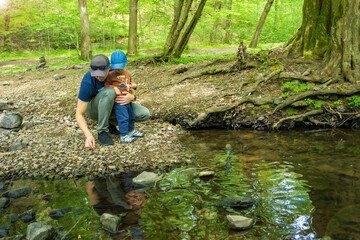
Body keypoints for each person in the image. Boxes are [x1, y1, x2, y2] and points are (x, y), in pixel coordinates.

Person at [76, 54, 150, 149]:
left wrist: (132, 97)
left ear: (109, 68)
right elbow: (79, 113)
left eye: (102, 74)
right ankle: (102, 131)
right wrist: (88, 135)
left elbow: (128, 87)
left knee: (144, 113)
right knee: (110, 91)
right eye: (96, 75)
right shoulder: (88, 80)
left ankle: (111, 123)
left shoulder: (116, 71)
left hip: (116, 106)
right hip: (94, 110)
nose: (99, 77)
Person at [105, 51, 144, 143]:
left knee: (131, 116)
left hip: (128, 99)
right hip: (119, 101)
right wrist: (114, 87)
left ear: (125, 63)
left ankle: (131, 130)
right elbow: (106, 86)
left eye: (120, 67)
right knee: (123, 118)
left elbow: (129, 83)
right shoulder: (110, 75)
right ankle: (123, 135)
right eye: (116, 68)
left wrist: (133, 85)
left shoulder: (127, 73)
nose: (118, 70)